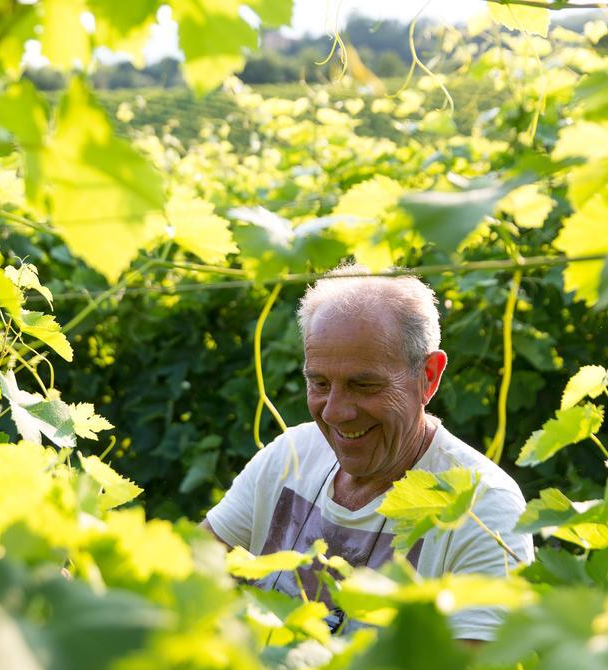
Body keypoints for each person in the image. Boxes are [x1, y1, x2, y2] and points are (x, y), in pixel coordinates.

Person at [201, 263, 534, 643]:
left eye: (364, 385)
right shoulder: (291, 456)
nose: (335, 412)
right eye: (320, 383)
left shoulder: (484, 508)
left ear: (429, 376)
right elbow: (191, 576)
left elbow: (473, 668)